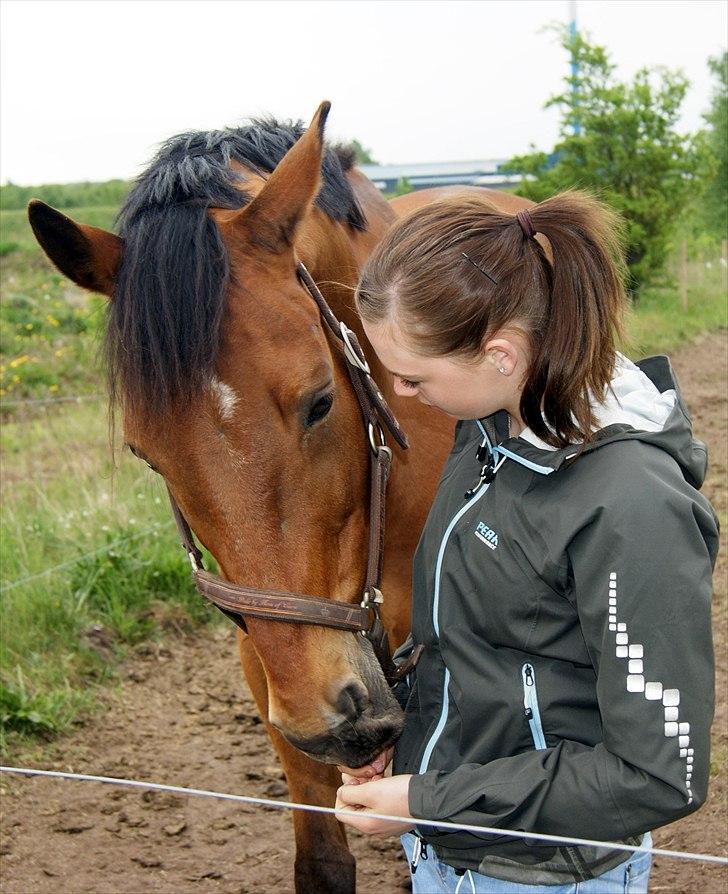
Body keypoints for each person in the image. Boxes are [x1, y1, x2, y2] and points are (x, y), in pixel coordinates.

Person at [334, 191, 719, 893]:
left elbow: (660, 773)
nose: (400, 390)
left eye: (414, 376)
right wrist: (409, 742)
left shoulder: (630, 507)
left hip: (545, 875)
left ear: (501, 354)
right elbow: (476, 647)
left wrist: (429, 800)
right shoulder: (490, 434)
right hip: (453, 851)